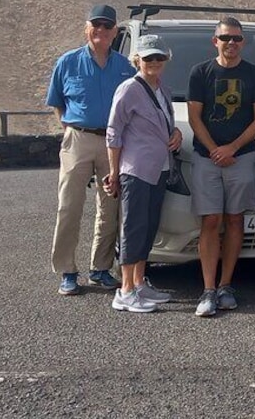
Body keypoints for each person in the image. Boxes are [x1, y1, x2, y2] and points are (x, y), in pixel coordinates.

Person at [46, 4, 135, 295]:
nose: (101, 31)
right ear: (87, 28)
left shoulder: (124, 66)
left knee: (110, 206)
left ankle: (101, 268)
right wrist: (72, 132)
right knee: (69, 206)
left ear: (114, 32)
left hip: (113, 142)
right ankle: (67, 271)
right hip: (78, 139)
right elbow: (58, 102)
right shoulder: (68, 62)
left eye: (107, 26)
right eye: (95, 25)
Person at [187, 17, 255, 317]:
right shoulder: (200, 73)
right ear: (215, 41)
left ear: (243, 42)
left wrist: (232, 148)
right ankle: (208, 290)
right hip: (206, 157)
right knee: (210, 221)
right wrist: (214, 150)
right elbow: (195, 117)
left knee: (235, 220)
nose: (231, 43)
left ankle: (226, 285)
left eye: (236, 38)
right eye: (225, 38)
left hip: (242, 157)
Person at [104, 35, 182, 312]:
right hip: (135, 169)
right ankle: (125, 291)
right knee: (134, 227)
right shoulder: (128, 89)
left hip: (159, 167)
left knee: (148, 227)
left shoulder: (163, 89)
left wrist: (176, 133)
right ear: (137, 60)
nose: (154, 62)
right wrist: (114, 172)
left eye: (159, 57)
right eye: (148, 58)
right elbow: (113, 132)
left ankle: (139, 282)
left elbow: (165, 125)